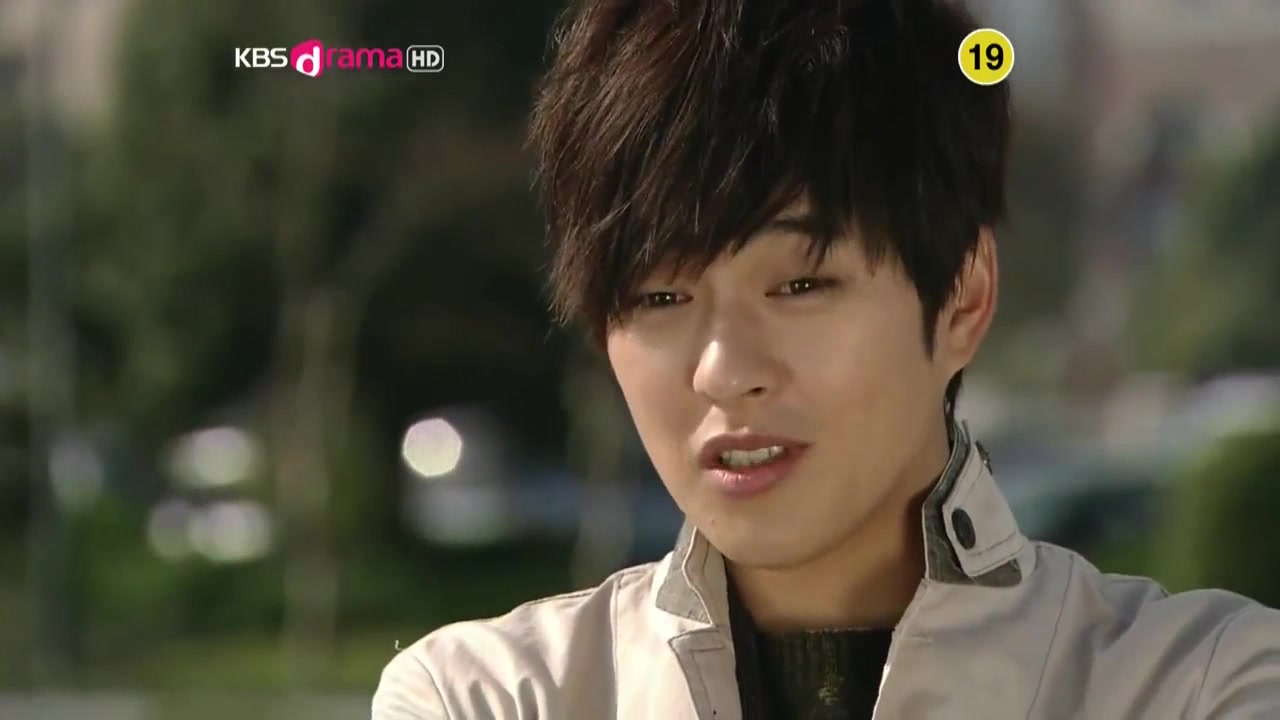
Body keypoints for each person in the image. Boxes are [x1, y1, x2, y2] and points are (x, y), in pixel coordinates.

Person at [372, 1, 1280, 717]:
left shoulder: (1199, 687)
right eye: (659, 299)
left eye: (801, 284)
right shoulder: (490, 698)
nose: (723, 370)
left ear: (962, 299)